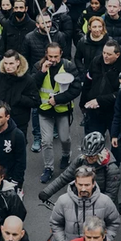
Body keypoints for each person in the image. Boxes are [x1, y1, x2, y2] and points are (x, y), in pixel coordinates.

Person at [34, 43, 82, 184]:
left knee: (65, 138)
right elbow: (32, 85)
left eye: (56, 56)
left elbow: (76, 89)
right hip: (45, 110)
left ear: (61, 54)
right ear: (46, 54)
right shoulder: (39, 65)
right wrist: (41, 72)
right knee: (46, 141)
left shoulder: (68, 66)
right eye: (50, 56)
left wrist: (58, 99)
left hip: (62, 110)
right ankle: (48, 168)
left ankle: (66, 155)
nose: (53, 59)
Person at [40, 132, 121, 205]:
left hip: (102, 208)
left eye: (92, 156)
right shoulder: (81, 159)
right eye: (87, 156)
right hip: (83, 203)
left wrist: (92, 208)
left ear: (100, 153)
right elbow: (64, 177)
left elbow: (110, 196)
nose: (88, 159)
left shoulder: (111, 169)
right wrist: (47, 192)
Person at [49, 166, 121, 241]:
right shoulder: (63, 201)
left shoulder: (105, 201)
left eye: (87, 185)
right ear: (75, 183)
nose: (83, 188)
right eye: (80, 184)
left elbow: (114, 223)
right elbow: (55, 223)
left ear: (93, 184)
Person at [81, 40, 121, 136]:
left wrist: (100, 100)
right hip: (95, 111)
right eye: (104, 52)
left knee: (117, 145)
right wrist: (83, 103)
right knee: (93, 142)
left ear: (117, 55)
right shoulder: (96, 61)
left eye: (109, 54)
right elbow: (88, 83)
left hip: (114, 112)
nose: (105, 56)